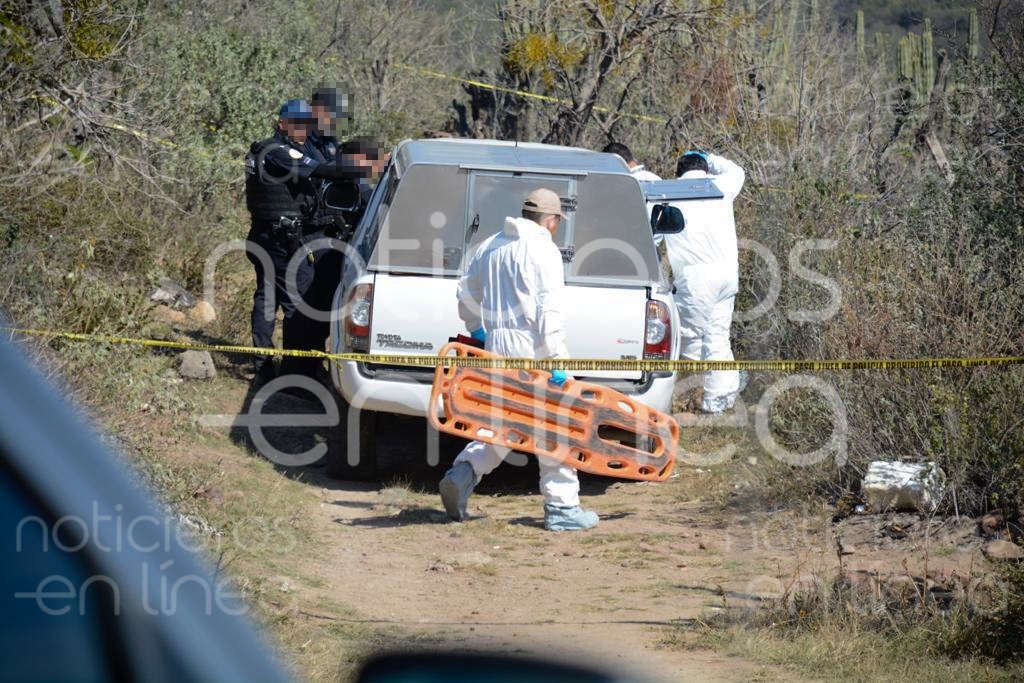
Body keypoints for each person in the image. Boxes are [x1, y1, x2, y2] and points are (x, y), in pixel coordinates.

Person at [438, 188, 599, 532]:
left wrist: (478, 329)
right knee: (555, 428)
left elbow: (465, 293)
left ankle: (463, 473)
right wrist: (557, 362)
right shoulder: (544, 250)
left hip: (497, 350)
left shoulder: (491, 245)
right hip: (535, 352)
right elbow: (549, 313)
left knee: (503, 423)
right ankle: (562, 507)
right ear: (552, 220)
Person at [244, 98, 368, 381]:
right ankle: (294, 370)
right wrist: (361, 167)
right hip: (278, 239)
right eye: (297, 124)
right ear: (282, 123)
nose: (303, 130)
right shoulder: (278, 151)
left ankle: (265, 364)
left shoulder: (278, 149)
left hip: (270, 235)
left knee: (268, 298)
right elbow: (322, 170)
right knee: (295, 303)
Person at [661, 150, 745, 415]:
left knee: (678, 337)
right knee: (718, 339)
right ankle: (717, 402)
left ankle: (674, 399)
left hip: (697, 279)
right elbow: (737, 171)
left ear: (679, 171)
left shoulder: (671, 191)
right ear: (706, 170)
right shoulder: (721, 186)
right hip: (727, 276)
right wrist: (712, 158)